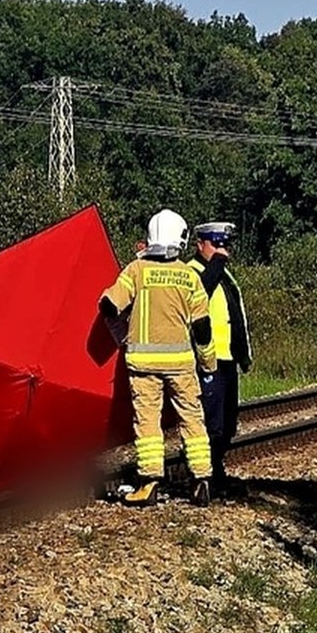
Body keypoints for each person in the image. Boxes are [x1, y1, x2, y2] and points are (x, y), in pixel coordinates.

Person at [99, 209, 217, 507]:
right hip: (181, 365)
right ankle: (201, 481)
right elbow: (202, 328)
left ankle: (149, 484)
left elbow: (109, 305)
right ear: (181, 238)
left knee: (148, 423)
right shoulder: (190, 277)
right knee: (192, 419)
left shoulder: (136, 271)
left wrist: (124, 335)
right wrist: (208, 363)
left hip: (143, 365)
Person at [188, 221, 253, 496]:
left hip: (228, 359)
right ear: (200, 244)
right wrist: (215, 264)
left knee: (227, 423)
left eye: (226, 245)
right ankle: (206, 476)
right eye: (216, 244)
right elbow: (200, 296)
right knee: (211, 423)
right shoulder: (192, 272)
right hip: (208, 360)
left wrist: (244, 354)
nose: (222, 251)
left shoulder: (226, 275)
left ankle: (218, 470)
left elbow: (235, 317)